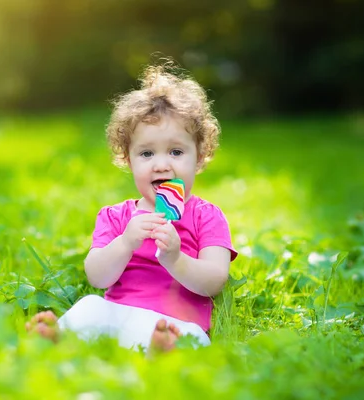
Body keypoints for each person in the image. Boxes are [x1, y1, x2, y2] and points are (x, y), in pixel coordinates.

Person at [26, 63, 237, 353]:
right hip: (118, 314)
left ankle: (162, 348)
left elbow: (214, 281)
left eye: (176, 151)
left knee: (192, 337)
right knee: (90, 306)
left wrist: (176, 258)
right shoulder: (115, 217)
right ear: (128, 160)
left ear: (198, 158)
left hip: (175, 320)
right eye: (147, 153)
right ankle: (57, 337)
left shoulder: (207, 216)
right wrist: (125, 242)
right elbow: (97, 277)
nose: (161, 164)